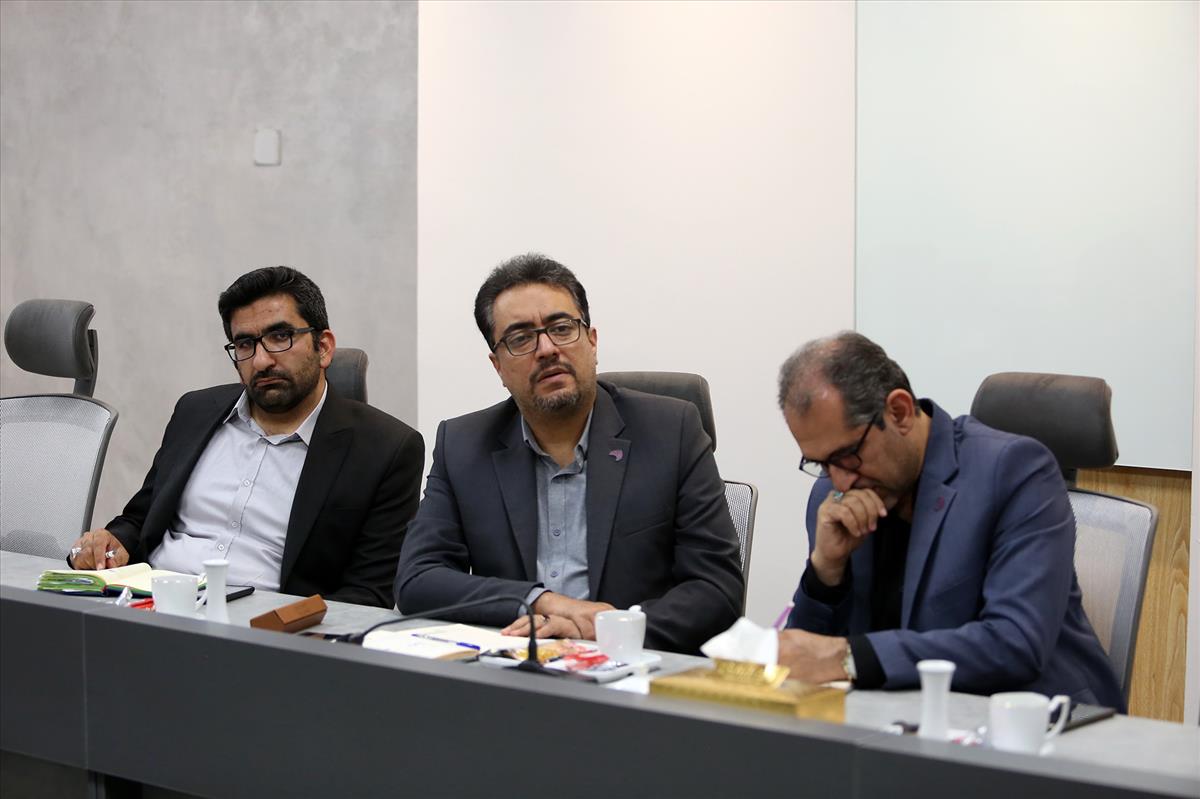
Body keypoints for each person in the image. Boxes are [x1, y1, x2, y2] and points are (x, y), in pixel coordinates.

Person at [394, 253, 743, 653]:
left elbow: (717, 589)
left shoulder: (672, 430)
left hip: (632, 668)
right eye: (521, 338)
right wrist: (540, 601)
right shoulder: (463, 444)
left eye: (561, 328)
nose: (546, 349)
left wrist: (602, 629)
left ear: (592, 341)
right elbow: (417, 579)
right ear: (498, 366)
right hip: (515, 667)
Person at [774, 331, 1124, 709]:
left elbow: (1015, 642)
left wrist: (850, 658)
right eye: (821, 463)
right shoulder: (832, 500)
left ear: (899, 412)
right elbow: (805, 662)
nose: (840, 481)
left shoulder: (1016, 471)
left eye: (847, 456)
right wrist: (825, 571)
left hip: (1036, 722)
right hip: (902, 720)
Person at [68, 266, 424, 608]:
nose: (261, 360)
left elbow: (368, 596)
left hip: (267, 630)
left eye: (280, 337)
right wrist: (111, 542)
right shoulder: (195, 411)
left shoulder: (387, 449)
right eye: (244, 344)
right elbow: (140, 519)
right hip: (149, 604)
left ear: (324, 347)